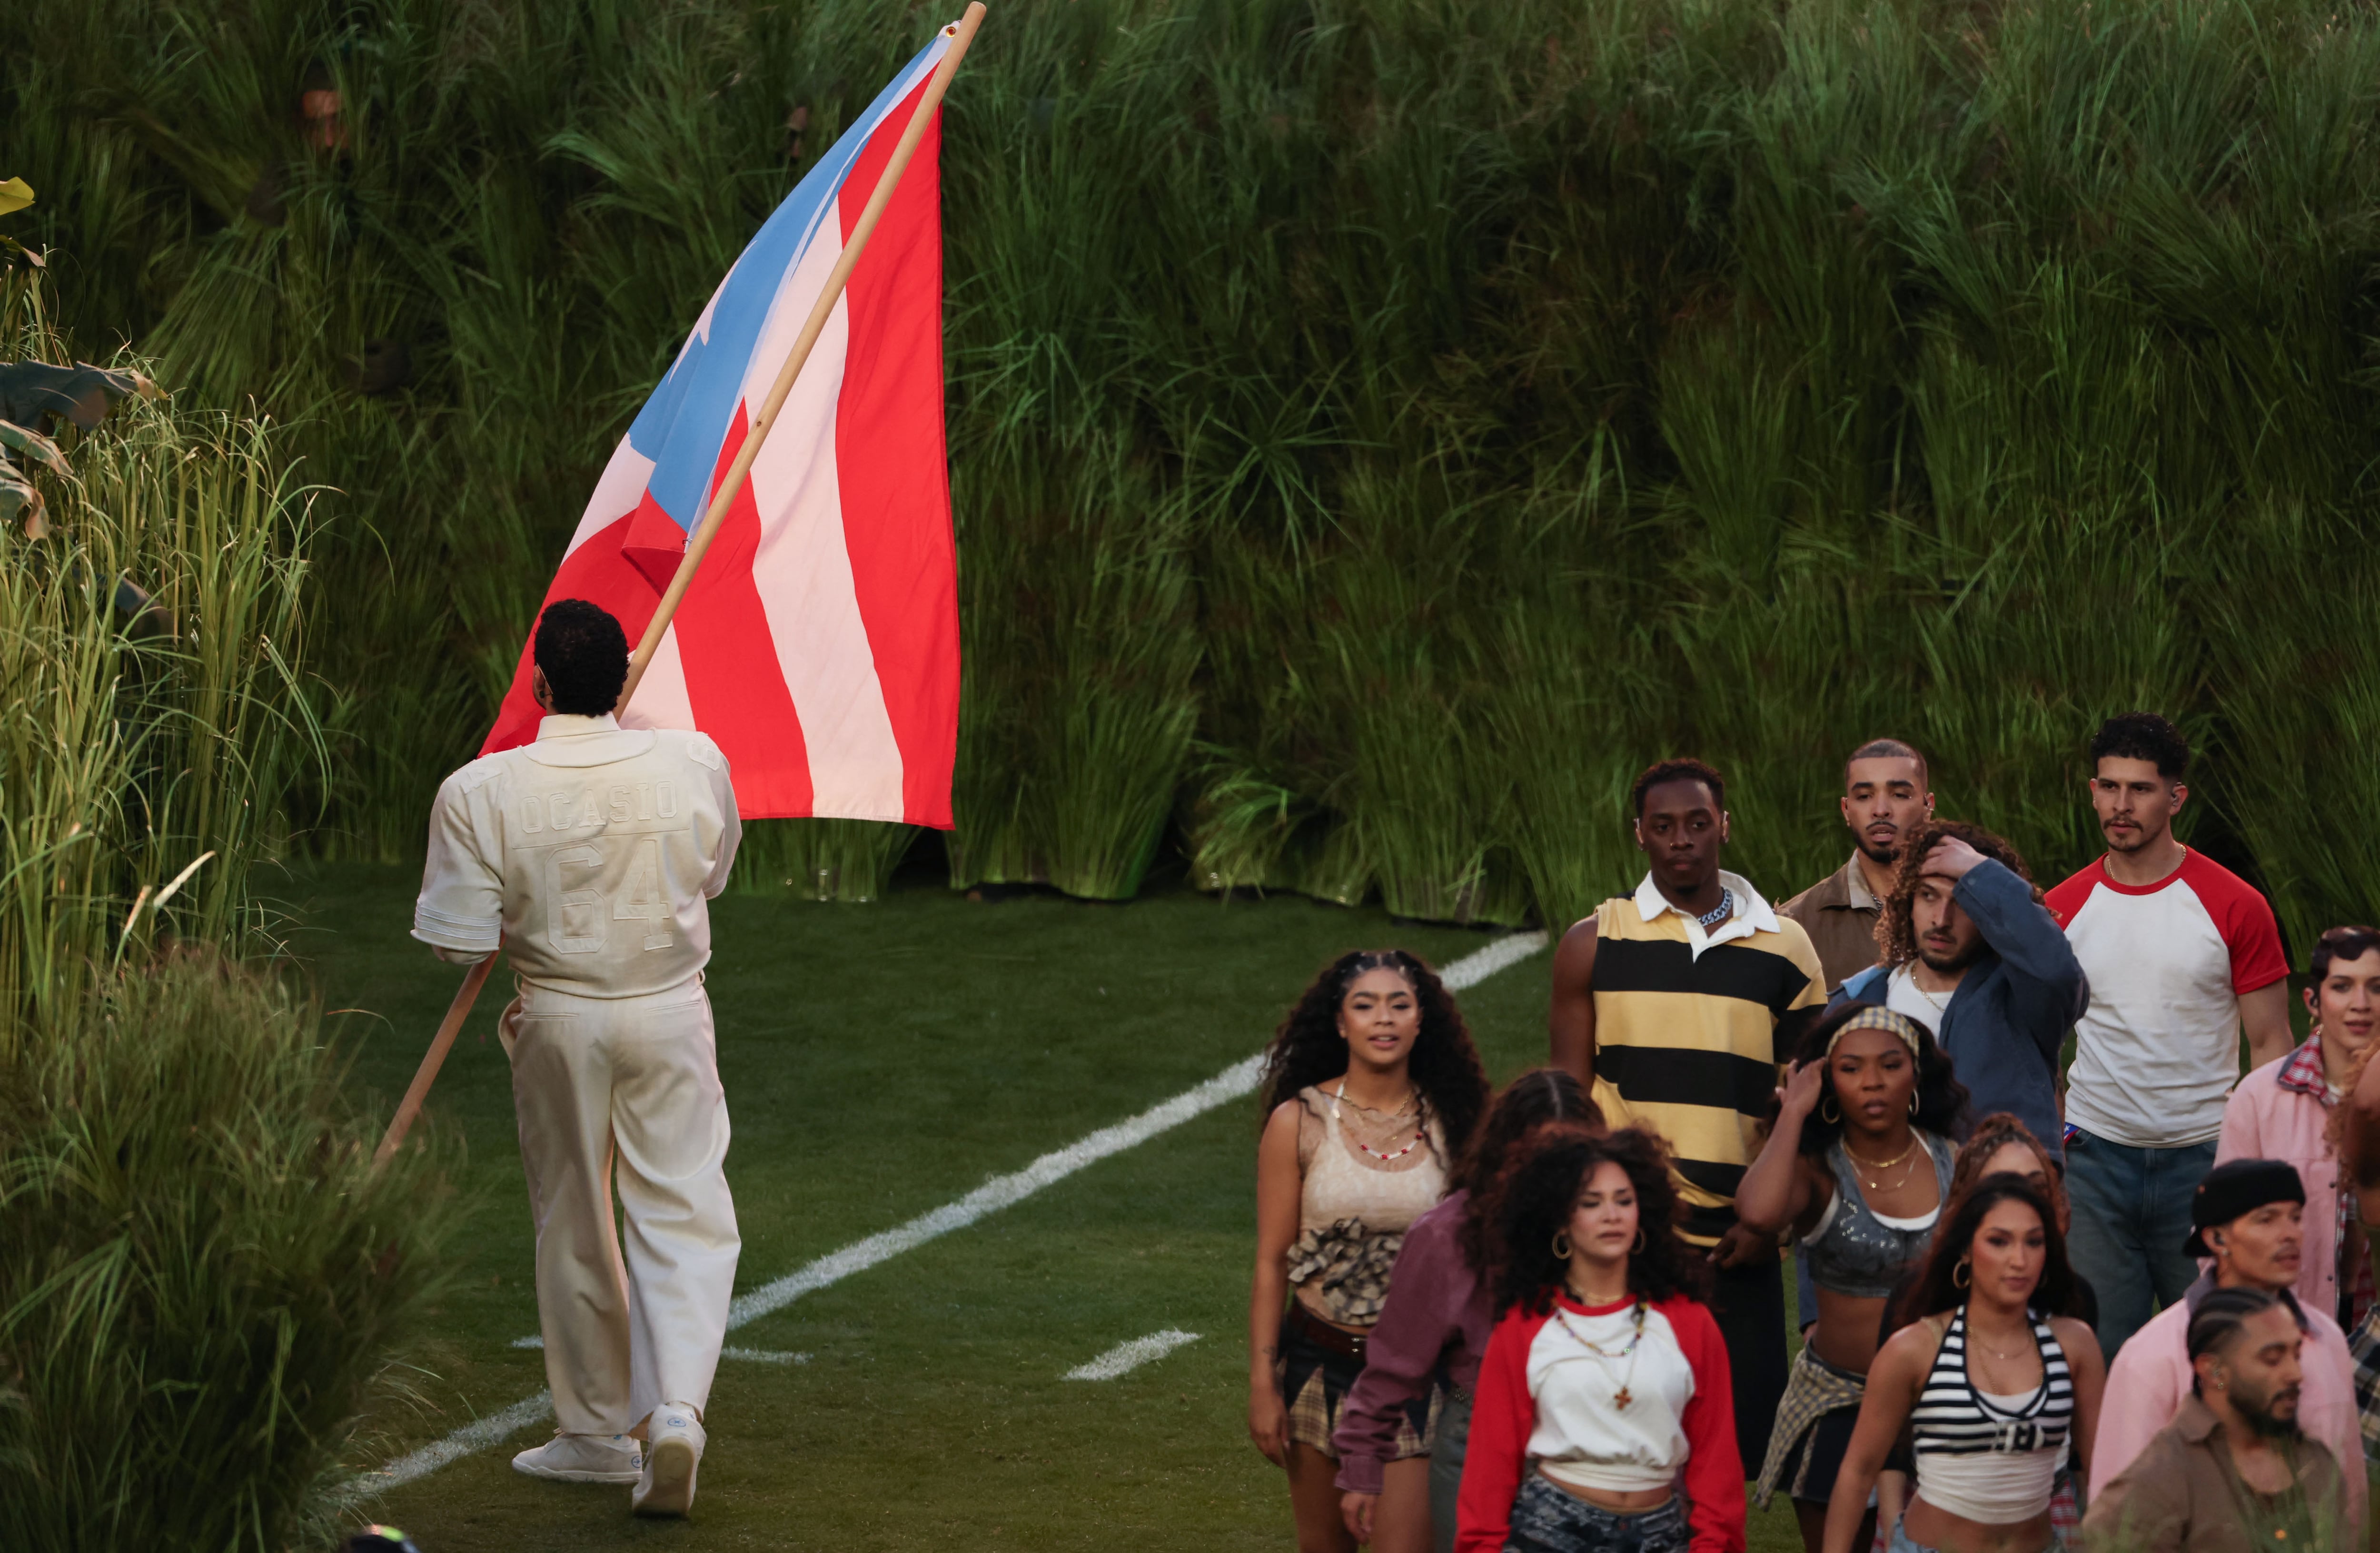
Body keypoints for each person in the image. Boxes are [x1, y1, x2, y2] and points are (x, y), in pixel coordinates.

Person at [409, 598, 742, 1517]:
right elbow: (711, 874)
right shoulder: (695, 760)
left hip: (559, 1019)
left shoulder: (479, 789)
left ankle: (597, 1431)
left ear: (541, 683)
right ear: (623, 678)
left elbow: (459, 943)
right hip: (671, 1008)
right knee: (684, 1205)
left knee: (573, 1214)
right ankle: (675, 1410)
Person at [1548, 757, 1828, 1472]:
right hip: (1625, 1245)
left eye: (1698, 823)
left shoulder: (1787, 947)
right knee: (1621, 1449)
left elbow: (1805, 1111)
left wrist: (1773, 1229)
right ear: (1638, 833)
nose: (1682, 840)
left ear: (1724, 827)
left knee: (1729, 1455)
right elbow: (1569, 1108)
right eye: (1664, 825)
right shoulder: (1594, 940)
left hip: (1739, 1246)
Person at [2049, 712, 2292, 1358]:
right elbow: (2033, 1039)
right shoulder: (2061, 907)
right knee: (2098, 1354)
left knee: (2224, 1350)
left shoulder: (2236, 903)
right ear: (2093, 789)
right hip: (2095, 1164)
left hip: (2205, 1159)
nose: (2120, 805)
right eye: (2108, 786)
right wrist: (2060, 1131)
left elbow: (2271, 1044)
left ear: (2176, 797)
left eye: (2141, 788)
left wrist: (2250, 1159)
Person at [1250, 950, 1492, 1553]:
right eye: (1364, 1005)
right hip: (1315, 1364)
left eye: (1399, 1004)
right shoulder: (1297, 1120)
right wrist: (1261, 1380)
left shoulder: (1460, 1123)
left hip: (1415, 1376)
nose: (1382, 1018)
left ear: (1419, 1021)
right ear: (1340, 1023)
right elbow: (1271, 1260)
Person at [1336, 1069, 1597, 1553]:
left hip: (1598, 1434)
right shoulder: (1446, 1234)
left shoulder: (1616, 1226)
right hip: (1480, 1443)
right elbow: (1394, 1362)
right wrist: (1361, 1466)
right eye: (1540, 1155)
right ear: (1506, 1151)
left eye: (1573, 1156)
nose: (1556, 1173)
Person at [1738, 1004, 1969, 1552]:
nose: (1871, 1081)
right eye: (1850, 1068)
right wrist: (1792, 1111)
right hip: (1837, 1401)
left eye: (1890, 1065)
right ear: (1826, 1079)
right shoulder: (1816, 1169)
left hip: (1937, 1400)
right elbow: (1756, 1212)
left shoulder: (1953, 1160)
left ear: (1915, 1074)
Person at [1457, 1124, 1744, 1553]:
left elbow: (1717, 1459)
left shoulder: (1689, 1322)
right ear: (1560, 1220)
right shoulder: (1524, 1327)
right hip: (1552, 1532)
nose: (1612, 1215)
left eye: (1623, 1201)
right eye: (1591, 1203)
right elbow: (1490, 1464)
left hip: (1661, 1533)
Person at [1824, 1176, 2107, 1553]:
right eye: (1999, 1241)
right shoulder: (1915, 1349)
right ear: (1966, 1251)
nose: (2019, 1260)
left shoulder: (2075, 1345)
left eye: (2034, 1242)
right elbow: (1857, 1473)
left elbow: (2105, 1472)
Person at [2088, 1159, 2367, 1536]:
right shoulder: (2152, 1355)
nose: (2290, 1234)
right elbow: (2119, 1523)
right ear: (2216, 1239)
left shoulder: (2327, 1338)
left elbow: (2350, 1496)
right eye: (2266, 1220)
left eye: (2296, 1217)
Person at [1837, 821, 2086, 1159]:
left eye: (1963, 902)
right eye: (1928, 896)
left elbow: (2057, 972)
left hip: (2002, 1201)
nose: (1942, 918)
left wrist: (1980, 872)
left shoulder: (2022, 999)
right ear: (1908, 902)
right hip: (1888, 1200)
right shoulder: (1859, 999)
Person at [2082, 1287, 2353, 1553]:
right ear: (2214, 1371)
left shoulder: (2316, 1462)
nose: (2295, 1374)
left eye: (2296, 1355)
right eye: (2272, 1359)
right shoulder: (2163, 1479)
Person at [2221, 927, 2380, 1330]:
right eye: (2342, 986)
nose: (2360, 1004)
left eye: (2377, 988)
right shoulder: (2259, 1097)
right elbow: (2220, 1232)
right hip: (2289, 1325)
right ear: (2313, 1000)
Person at [1782, 739, 1936, 993]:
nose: (1881, 810)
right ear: (1846, 810)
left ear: (1927, 805)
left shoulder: (1966, 907)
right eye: (1864, 796)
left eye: (1899, 795)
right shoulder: (1799, 923)